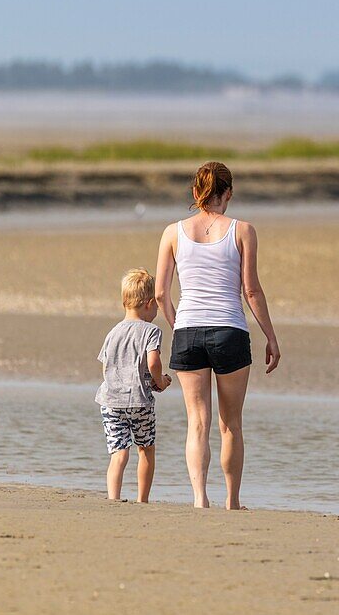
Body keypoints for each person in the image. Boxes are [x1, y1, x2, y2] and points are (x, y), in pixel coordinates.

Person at [155, 161, 281, 510]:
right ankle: (233, 500)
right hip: (230, 331)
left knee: (197, 422)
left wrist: (178, 323)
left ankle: (199, 499)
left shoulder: (172, 232)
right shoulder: (243, 230)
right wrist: (271, 336)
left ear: (196, 193)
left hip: (189, 331)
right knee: (231, 425)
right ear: (228, 194)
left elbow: (162, 293)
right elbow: (251, 290)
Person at [96, 268, 172, 502]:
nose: (157, 311)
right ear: (149, 304)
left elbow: (105, 365)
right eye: (156, 307)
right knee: (146, 448)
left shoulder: (113, 332)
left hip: (111, 401)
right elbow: (153, 362)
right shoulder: (151, 331)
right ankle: (142, 499)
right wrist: (160, 381)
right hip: (139, 401)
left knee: (118, 454)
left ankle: (113, 497)